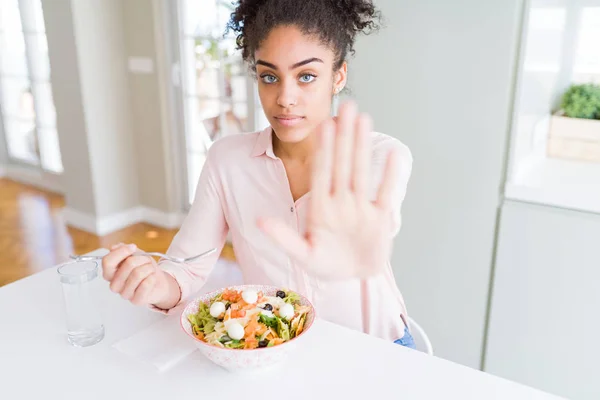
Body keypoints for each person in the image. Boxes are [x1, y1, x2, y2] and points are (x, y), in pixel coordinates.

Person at [102, 0, 415, 348]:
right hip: (277, 351)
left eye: (306, 76)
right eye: (269, 77)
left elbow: (379, 224)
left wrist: (353, 250)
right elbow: (185, 268)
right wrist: (154, 285)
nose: (285, 98)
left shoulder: (380, 156)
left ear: (338, 76)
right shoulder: (227, 161)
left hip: (377, 348)